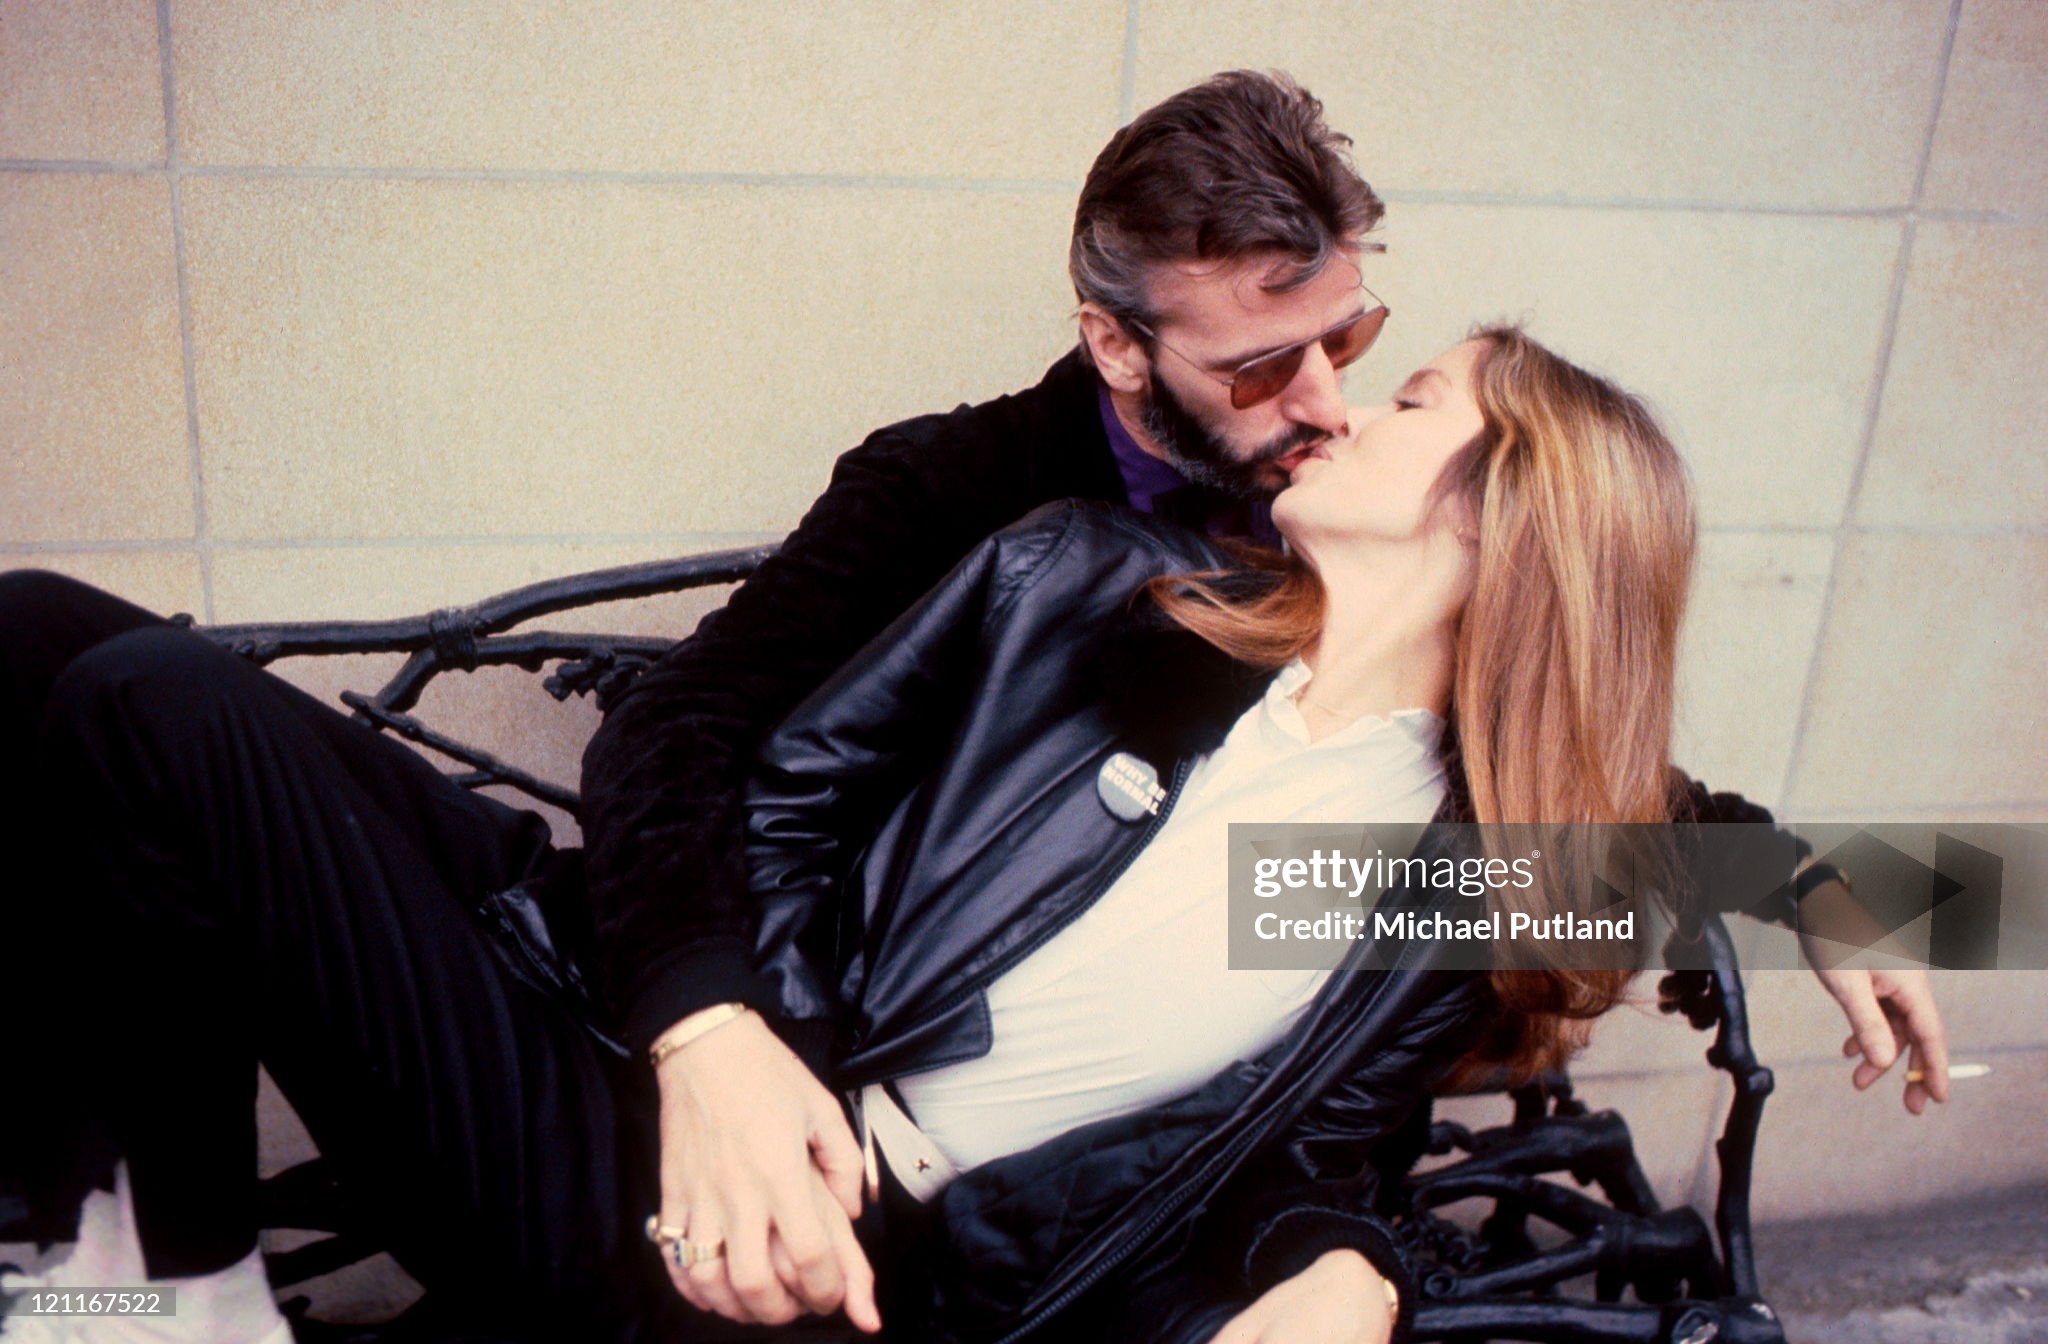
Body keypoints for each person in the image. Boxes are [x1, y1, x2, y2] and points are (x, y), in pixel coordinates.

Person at [0, 70, 1946, 1344]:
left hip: (835, 1208)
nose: (1335, 399)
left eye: (1369, 353)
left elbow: (1514, 828)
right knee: (47, 644)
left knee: (145, 707)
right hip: (707, 1007)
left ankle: (153, 1264)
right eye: (1277, 365)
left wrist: (1843, 883)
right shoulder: (1028, 538)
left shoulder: (1373, 837)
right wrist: (713, 1039)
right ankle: (156, 1254)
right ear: (1120, 341)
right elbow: (695, 743)